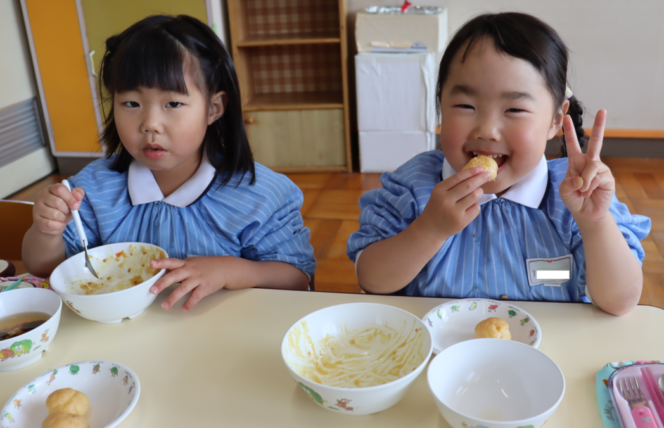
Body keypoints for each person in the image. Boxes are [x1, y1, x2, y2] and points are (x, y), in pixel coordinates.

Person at [347, 12, 651, 316]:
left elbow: (619, 301)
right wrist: (429, 230)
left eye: (514, 109)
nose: (487, 130)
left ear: (555, 121)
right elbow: (372, 280)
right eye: (466, 106)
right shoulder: (413, 187)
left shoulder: (575, 196)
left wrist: (595, 224)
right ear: (440, 107)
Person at [23, 15, 315, 311]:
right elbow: (46, 268)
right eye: (131, 104)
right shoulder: (94, 188)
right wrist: (46, 231)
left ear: (213, 109)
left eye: (173, 104)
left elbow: (297, 279)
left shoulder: (260, 194)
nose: (150, 124)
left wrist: (230, 270)